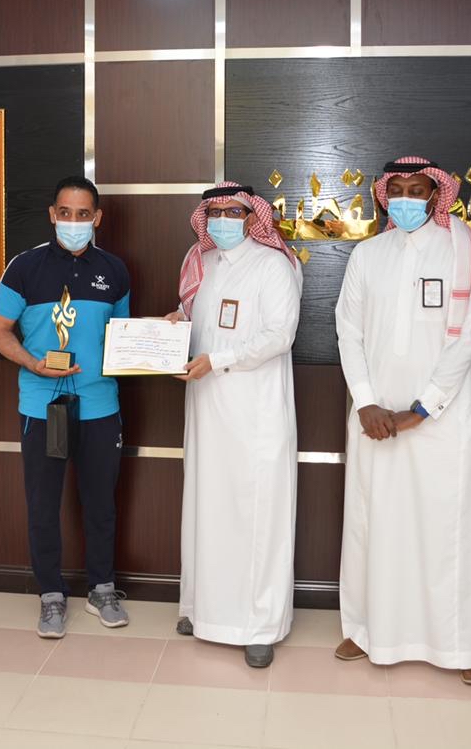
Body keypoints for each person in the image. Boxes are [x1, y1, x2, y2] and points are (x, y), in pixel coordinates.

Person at [334, 156, 471, 685]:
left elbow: (467, 340)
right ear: (385, 196)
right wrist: (366, 401)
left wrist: (422, 408)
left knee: (450, 527)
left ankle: (468, 644)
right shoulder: (367, 255)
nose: (406, 198)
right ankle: (368, 629)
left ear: (435, 194)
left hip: (443, 419)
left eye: (417, 189)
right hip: (375, 417)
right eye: (397, 189)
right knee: (374, 522)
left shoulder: (464, 252)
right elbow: (348, 331)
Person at [0, 176, 131, 638]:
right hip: (42, 405)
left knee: (100, 504)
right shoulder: (24, 268)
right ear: (52, 214)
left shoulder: (115, 270)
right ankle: (50, 595)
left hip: (99, 405)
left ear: (97, 218)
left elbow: (123, 339)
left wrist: (161, 337)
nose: (73, 221)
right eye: (65, 213)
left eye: (83, 214)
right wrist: (32, 363)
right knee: (43, 505)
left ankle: (102, 589)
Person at [167, 182, 302, 668]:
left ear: (251, 217)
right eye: (215, 212)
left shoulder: (273, 265)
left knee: (255, 513)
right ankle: (201, 608)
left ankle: (258, 626)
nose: (223, 220)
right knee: (207, 504)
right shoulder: (200, 263)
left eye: (233, 211)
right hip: (208, 408)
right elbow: (195, 321)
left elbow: (279, 336)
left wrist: (218, 359)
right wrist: (171, 327)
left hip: (255, 411)